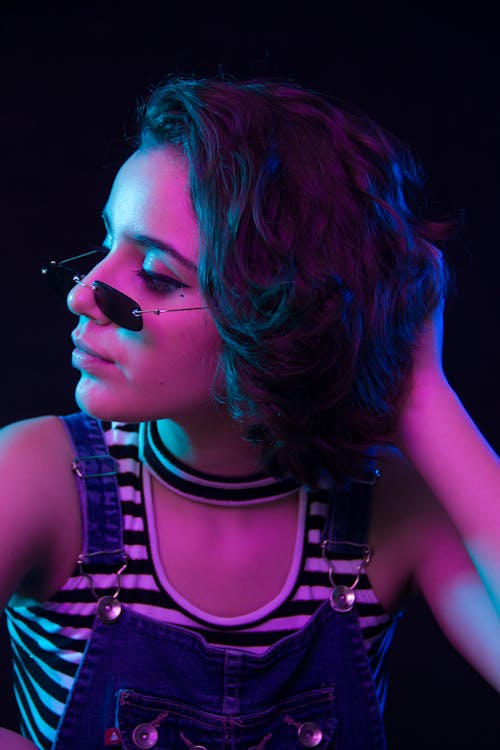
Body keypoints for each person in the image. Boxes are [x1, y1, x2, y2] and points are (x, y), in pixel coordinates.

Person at [0, 75, 498, 750]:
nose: (84, 294)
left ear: (283, 320)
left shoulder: (391, 506)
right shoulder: (38, 478)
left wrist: (422, 395)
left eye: (157, 274)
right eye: (107, 242)